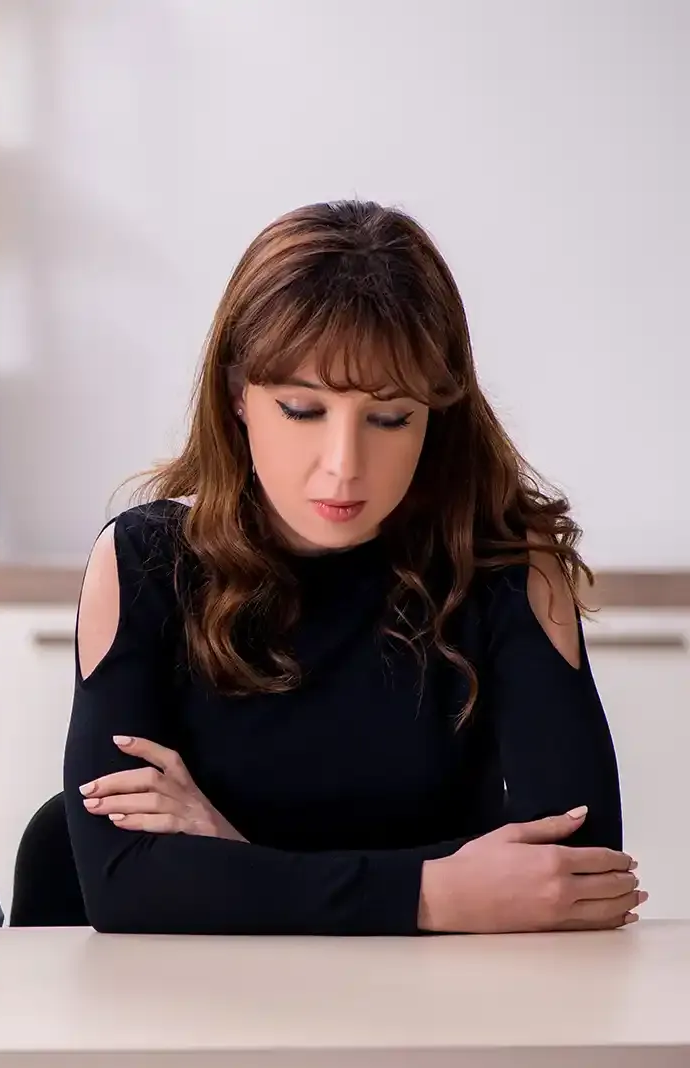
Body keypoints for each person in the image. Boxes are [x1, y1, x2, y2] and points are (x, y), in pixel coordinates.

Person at [63, 200, 641, 936]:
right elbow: (123, 886)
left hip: (439, 1023)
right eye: (303, 410)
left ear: (438, 414)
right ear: (239, 396)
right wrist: (435, 893)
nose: (343, 468)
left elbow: (575, 877)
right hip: (201, 1015)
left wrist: (239, 857)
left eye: (390, 417)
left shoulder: (507, 567)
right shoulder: (144, 562)